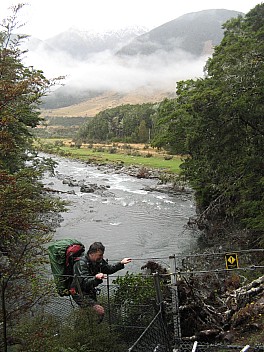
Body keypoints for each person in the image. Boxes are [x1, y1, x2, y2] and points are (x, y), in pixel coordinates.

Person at [70, 241, 132, 320]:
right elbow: (85, 282)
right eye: (100, 255)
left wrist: (121, 263)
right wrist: (96, 278)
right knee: (99, 311)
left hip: (89, 291)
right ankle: (87, 328)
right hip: (79, 292)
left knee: (89, 313)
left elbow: (108, 269)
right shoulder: (81, 264)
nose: (102, 257)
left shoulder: (98, 261)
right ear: (92, 253)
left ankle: (88, 327)